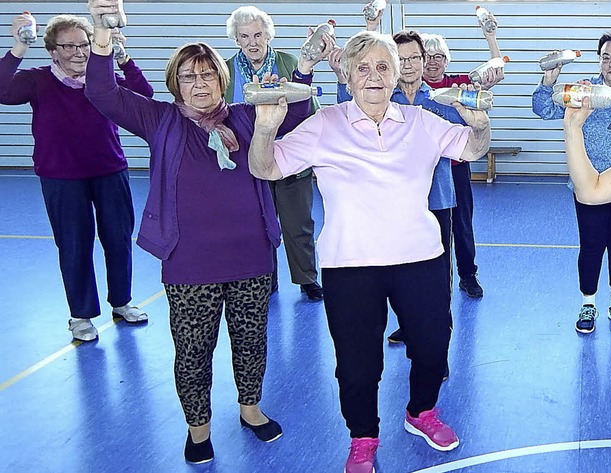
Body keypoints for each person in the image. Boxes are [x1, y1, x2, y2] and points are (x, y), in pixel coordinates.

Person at [85, 0, 322, 464]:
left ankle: (251, 410)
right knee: (193, 351)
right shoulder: (159, 120)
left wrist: (307, 68)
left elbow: (296, 116)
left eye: (208, 75)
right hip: (188, 263)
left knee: (251, 340)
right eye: (190, 76)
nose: (200, 84)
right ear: (176, 82)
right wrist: (101, 34)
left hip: (251, 255)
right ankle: (199, 429)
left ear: (222, 79)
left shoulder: (245, 116)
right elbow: (103, 94)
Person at [248, 31, 490, 473]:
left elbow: (474, 147)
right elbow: (264, 167)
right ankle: (362, 437)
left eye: (383, 67)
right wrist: (265, 127)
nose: (374, 76)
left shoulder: (420, 122)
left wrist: (478, 122)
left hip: (420, 257)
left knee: (434, 348)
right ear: (347, 75)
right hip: (351, 263)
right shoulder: (325, 124)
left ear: (397, 74)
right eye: (363, 68)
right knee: (358, 366)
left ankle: (421, 412)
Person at [0, 12, 153, 342]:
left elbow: (145, 96)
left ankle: (122, 302)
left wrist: (124, 58)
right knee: (73, 245)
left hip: (110, 171)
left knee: (118, 239)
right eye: (68, 46)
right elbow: (2, 91)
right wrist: (17, 47)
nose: (78, 52)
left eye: (83, 44)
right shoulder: (36, 80)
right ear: (53, 50)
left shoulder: (104, 81)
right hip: (61, 176)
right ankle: (81, 315)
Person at [330, 31, 458, 351]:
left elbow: (464, 139)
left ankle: (437, 337)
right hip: (391, 204)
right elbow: (346, 108)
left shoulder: (444, 99)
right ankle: (409, 324)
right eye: (401, 60)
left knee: (437, 276)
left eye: (415, 57)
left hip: (437, 200)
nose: (411, 64)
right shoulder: (382, 98)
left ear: (424, 60)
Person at [533, 31, 611, 334]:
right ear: (599, 60)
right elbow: (543, 108)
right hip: (586, 189)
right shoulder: (584, 92)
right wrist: (549, 80)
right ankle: (588, 303)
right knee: (591, 247)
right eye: (606, 57)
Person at [224, 6, 324, 302]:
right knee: (258, 225)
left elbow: (309, 114)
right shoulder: (227, 70)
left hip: (290, 159)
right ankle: (265, 278)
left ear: (268, 34)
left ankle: (307, 278)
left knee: (298, 224)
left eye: (258, 34)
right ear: (236, 39)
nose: (252, 42)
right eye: (245, 37)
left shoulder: (289, 62)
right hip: (249, 161)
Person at [421, 20, 504, 300]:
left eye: (438, 57)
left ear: (447, 60)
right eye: (427, 56)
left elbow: (496, 72)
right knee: (429, 227)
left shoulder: (458, 85)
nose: (432, 62)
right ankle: (432, 280)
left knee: (462, 223)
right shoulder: (410, 90)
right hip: (421, 172)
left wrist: (490, 36)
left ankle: (468, 275)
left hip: (455, 168)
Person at [564, 98, 611, 203]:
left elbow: (589, 194)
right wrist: (573, 126)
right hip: (602, 183)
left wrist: (573, 127)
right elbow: (590, 193)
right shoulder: (589, 93)